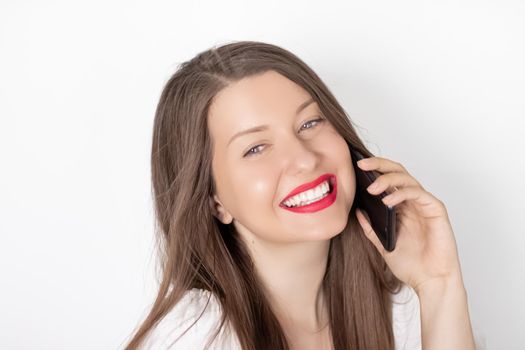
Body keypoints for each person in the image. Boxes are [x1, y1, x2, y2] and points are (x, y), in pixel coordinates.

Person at [124, 40, 477, 350]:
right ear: (214, 202)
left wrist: (439, 285)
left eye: (310, 123)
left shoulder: (399, 308)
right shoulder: (195, 337)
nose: (306, 160)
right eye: (256, 148)